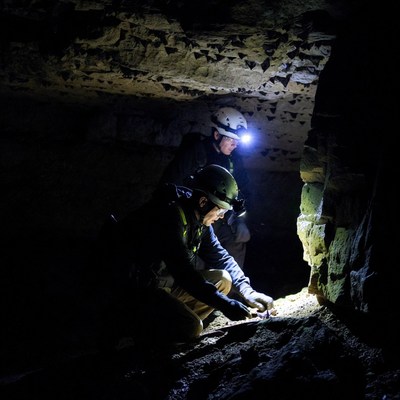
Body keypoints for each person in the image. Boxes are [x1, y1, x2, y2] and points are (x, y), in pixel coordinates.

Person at [91, 165, 274, 345]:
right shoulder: (168, 216)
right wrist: (225, 304)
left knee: (223, 280)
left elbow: (220, 257)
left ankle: (169, 321)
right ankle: (133, 331)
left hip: (165, 286)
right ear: (203, 202)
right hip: (136, 293)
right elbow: (185, 274)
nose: (221, 217)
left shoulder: (199, 220)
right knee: (191, 327)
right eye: (221, 210)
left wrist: (247, 291)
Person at [159, 106, 251, 270]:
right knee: (197, 255)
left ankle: (233, 291)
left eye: (237, 142)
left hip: (221, 218)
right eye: (231, 140)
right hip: (196, 216)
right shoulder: (196, 153)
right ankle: (199, 287)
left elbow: (244, 189)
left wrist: (239, 219)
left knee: (238, 239)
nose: (235, 145)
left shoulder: (233, 160)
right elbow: (169, 184)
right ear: (217, 135)